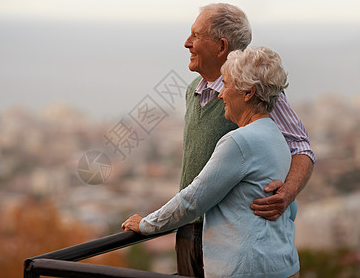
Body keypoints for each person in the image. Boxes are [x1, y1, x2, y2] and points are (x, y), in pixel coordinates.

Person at [122, 47, 300, 278]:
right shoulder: (277, 137)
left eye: (226, 85)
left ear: (248, 93)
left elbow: (193, 200)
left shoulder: (240, 140)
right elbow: (290, 209)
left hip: (246, 268)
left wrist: (147, 224)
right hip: (283, 264)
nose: (220, 94)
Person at [167, 3, 314, 277]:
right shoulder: (193, 91)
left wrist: (286, 193)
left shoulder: (253, 93)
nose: (187, 43)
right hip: (189, 228)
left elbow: (301, 147)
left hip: (231, 237)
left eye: (196, 36)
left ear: (222, 46)